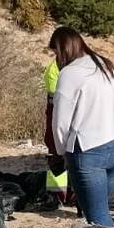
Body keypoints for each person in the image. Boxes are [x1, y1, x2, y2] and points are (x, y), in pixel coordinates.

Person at [49, 26, 114, 228]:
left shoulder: (70, 73)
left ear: (63, 49)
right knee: (97, 212)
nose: (55, 59)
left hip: (89, 151)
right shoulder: (106, 65)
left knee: (99, 220)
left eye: (56, 53)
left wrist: (60, 153)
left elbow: (60, 122)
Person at [42, 51, 73, 206]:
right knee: (58, 156)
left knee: (63, 156)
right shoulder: (58, 67)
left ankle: (60, 197)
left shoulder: (65, 67)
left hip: (61, 113)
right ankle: (58, 196)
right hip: (57, 112)